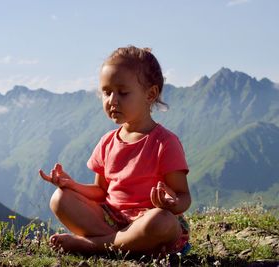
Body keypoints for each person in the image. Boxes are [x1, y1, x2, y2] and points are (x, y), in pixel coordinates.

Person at [39, 46, 191, 256]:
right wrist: (71, 185)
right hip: (111, 221)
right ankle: (126, 245)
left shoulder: (165, 143)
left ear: (151, 94)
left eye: (123, 92)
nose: (112, 100)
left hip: (147, 222)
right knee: (59, 199)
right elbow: (100, 192)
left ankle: (92, 245)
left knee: (160, 221)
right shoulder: (107, 142)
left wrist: (172, 203)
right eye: (107, 92)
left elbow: (184, 197)